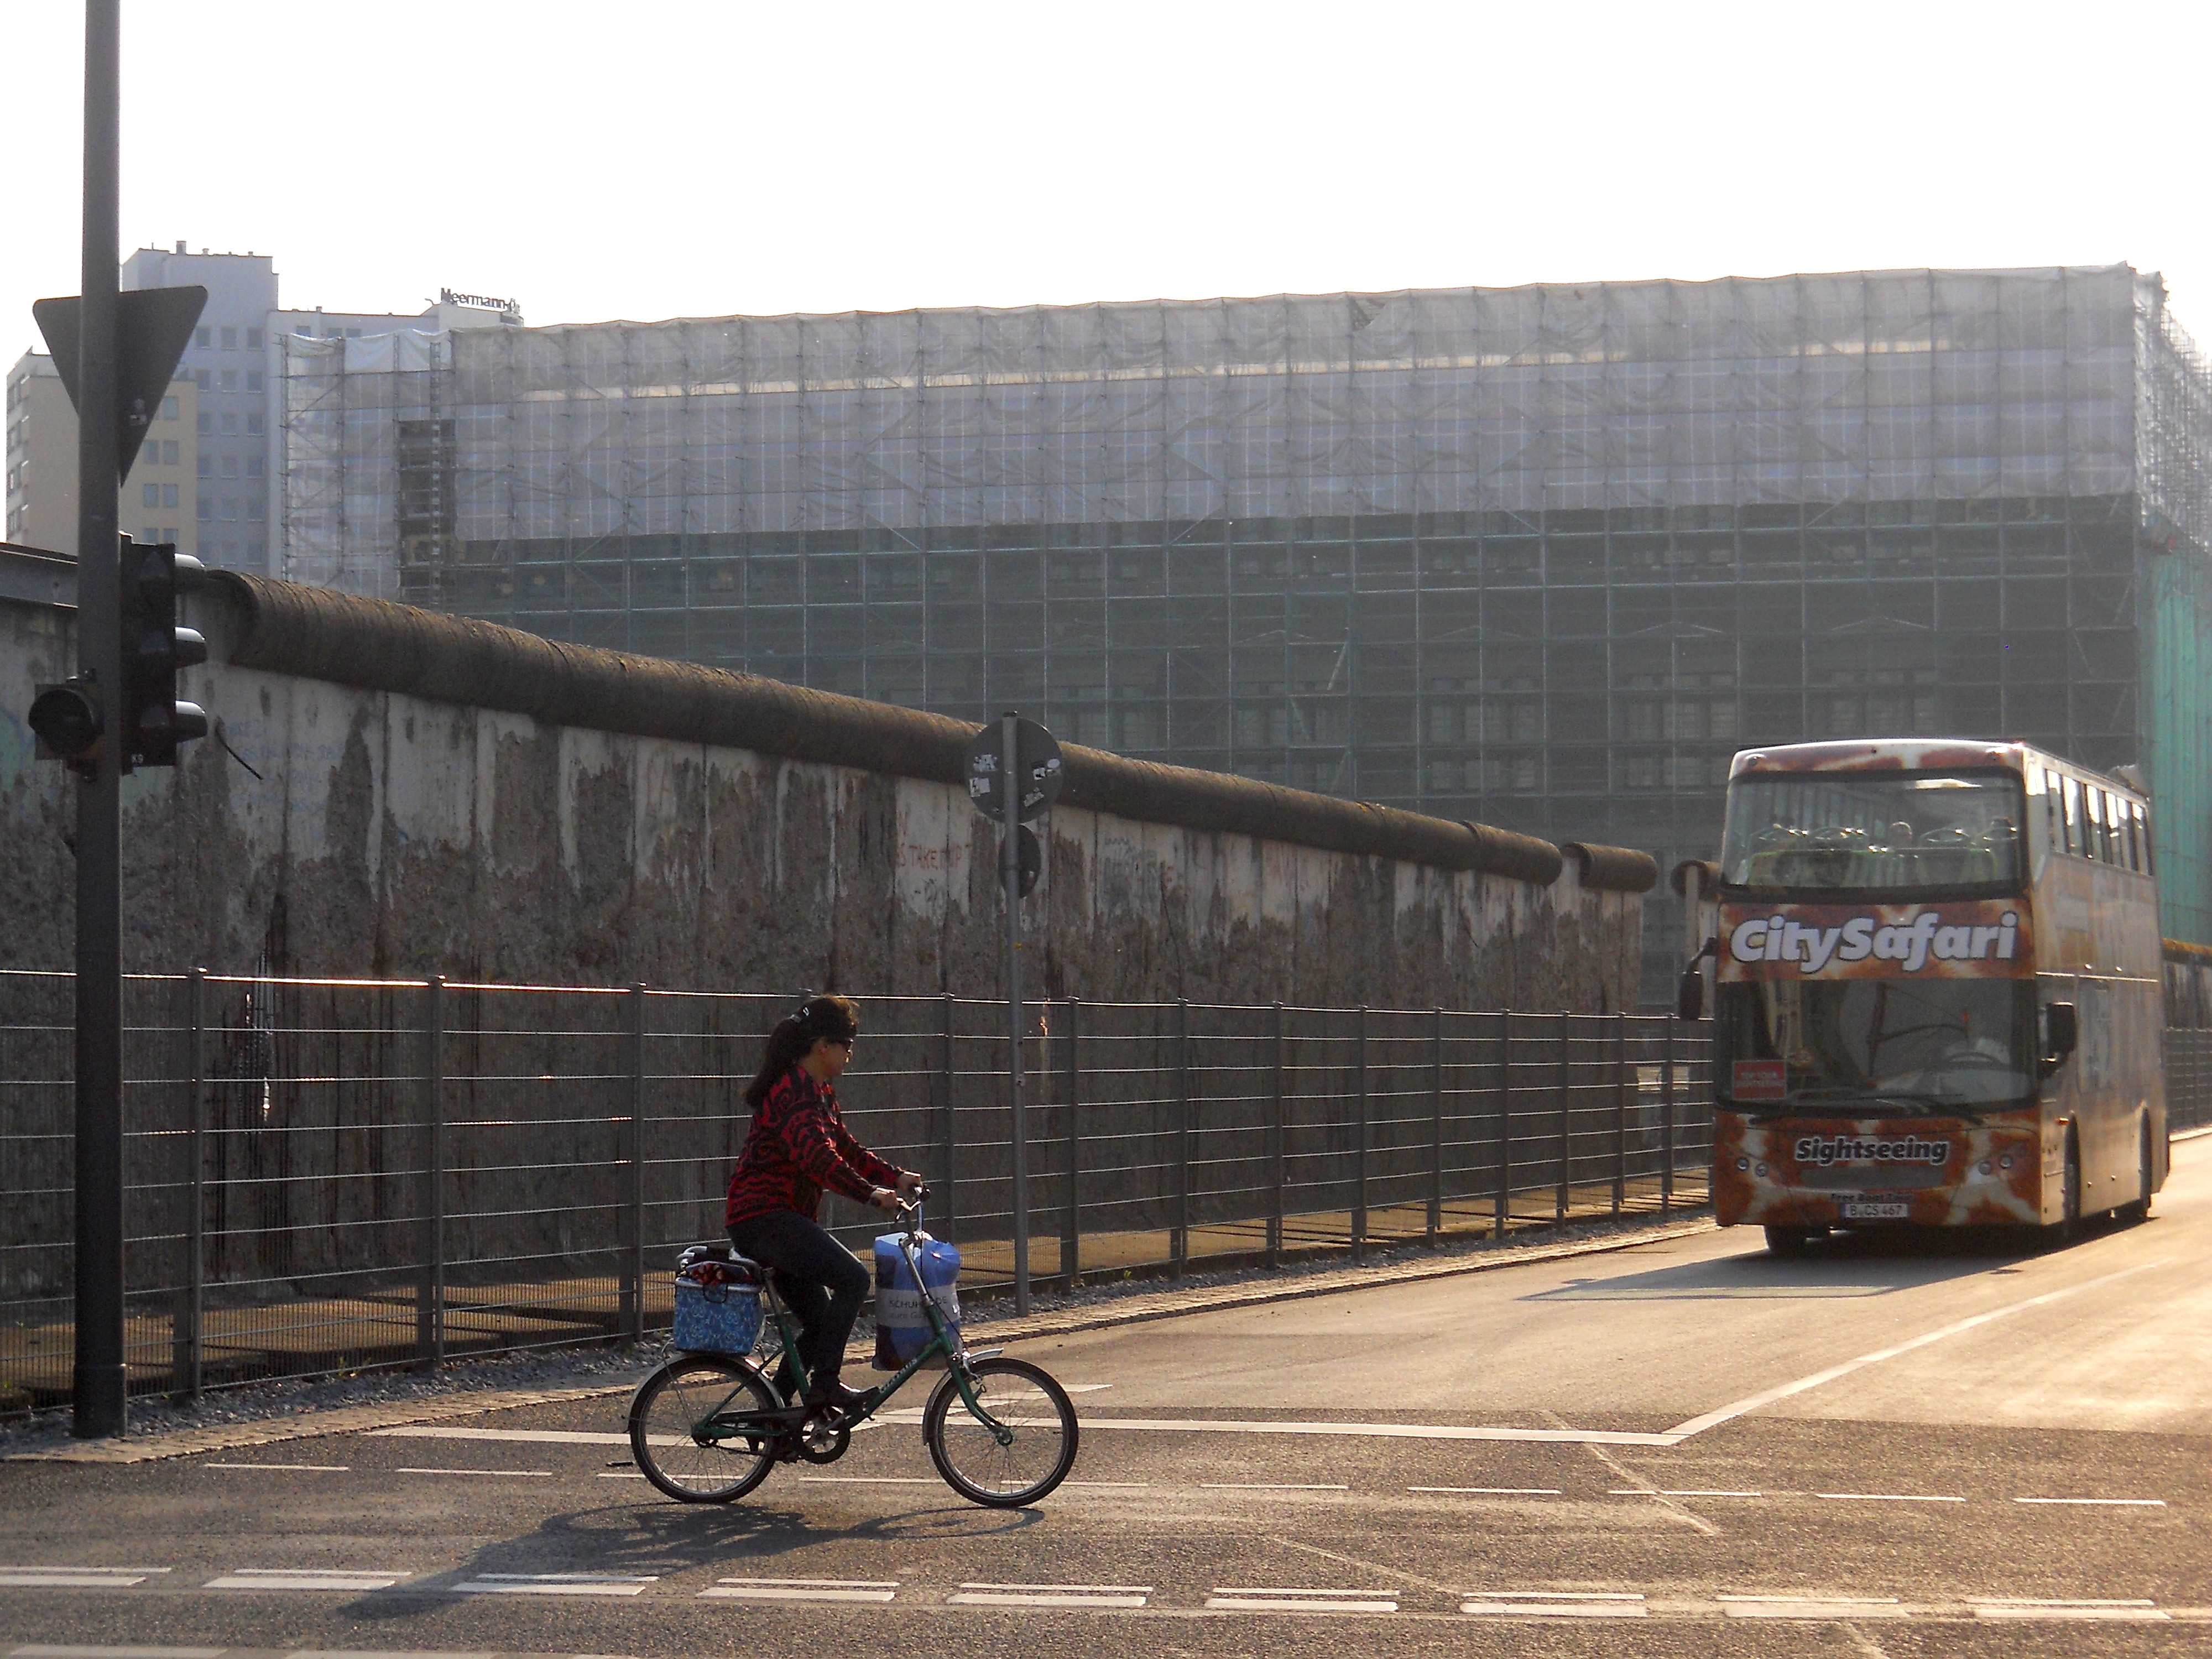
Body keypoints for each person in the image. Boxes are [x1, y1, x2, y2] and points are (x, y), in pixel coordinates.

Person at [726, 995, 922, 1411]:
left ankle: (776, 1410)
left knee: (819, 1319)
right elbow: (818, 1159)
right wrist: (871, 1195)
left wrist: (895, 1177)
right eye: (846, 1045)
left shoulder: (818, 1092)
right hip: (764, 1219)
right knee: (853, 1279)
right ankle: (826, 1387)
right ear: (822, 1046)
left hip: (780, 1220)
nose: (850, 1054)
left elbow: (845, 1147)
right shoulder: (792, 1095)